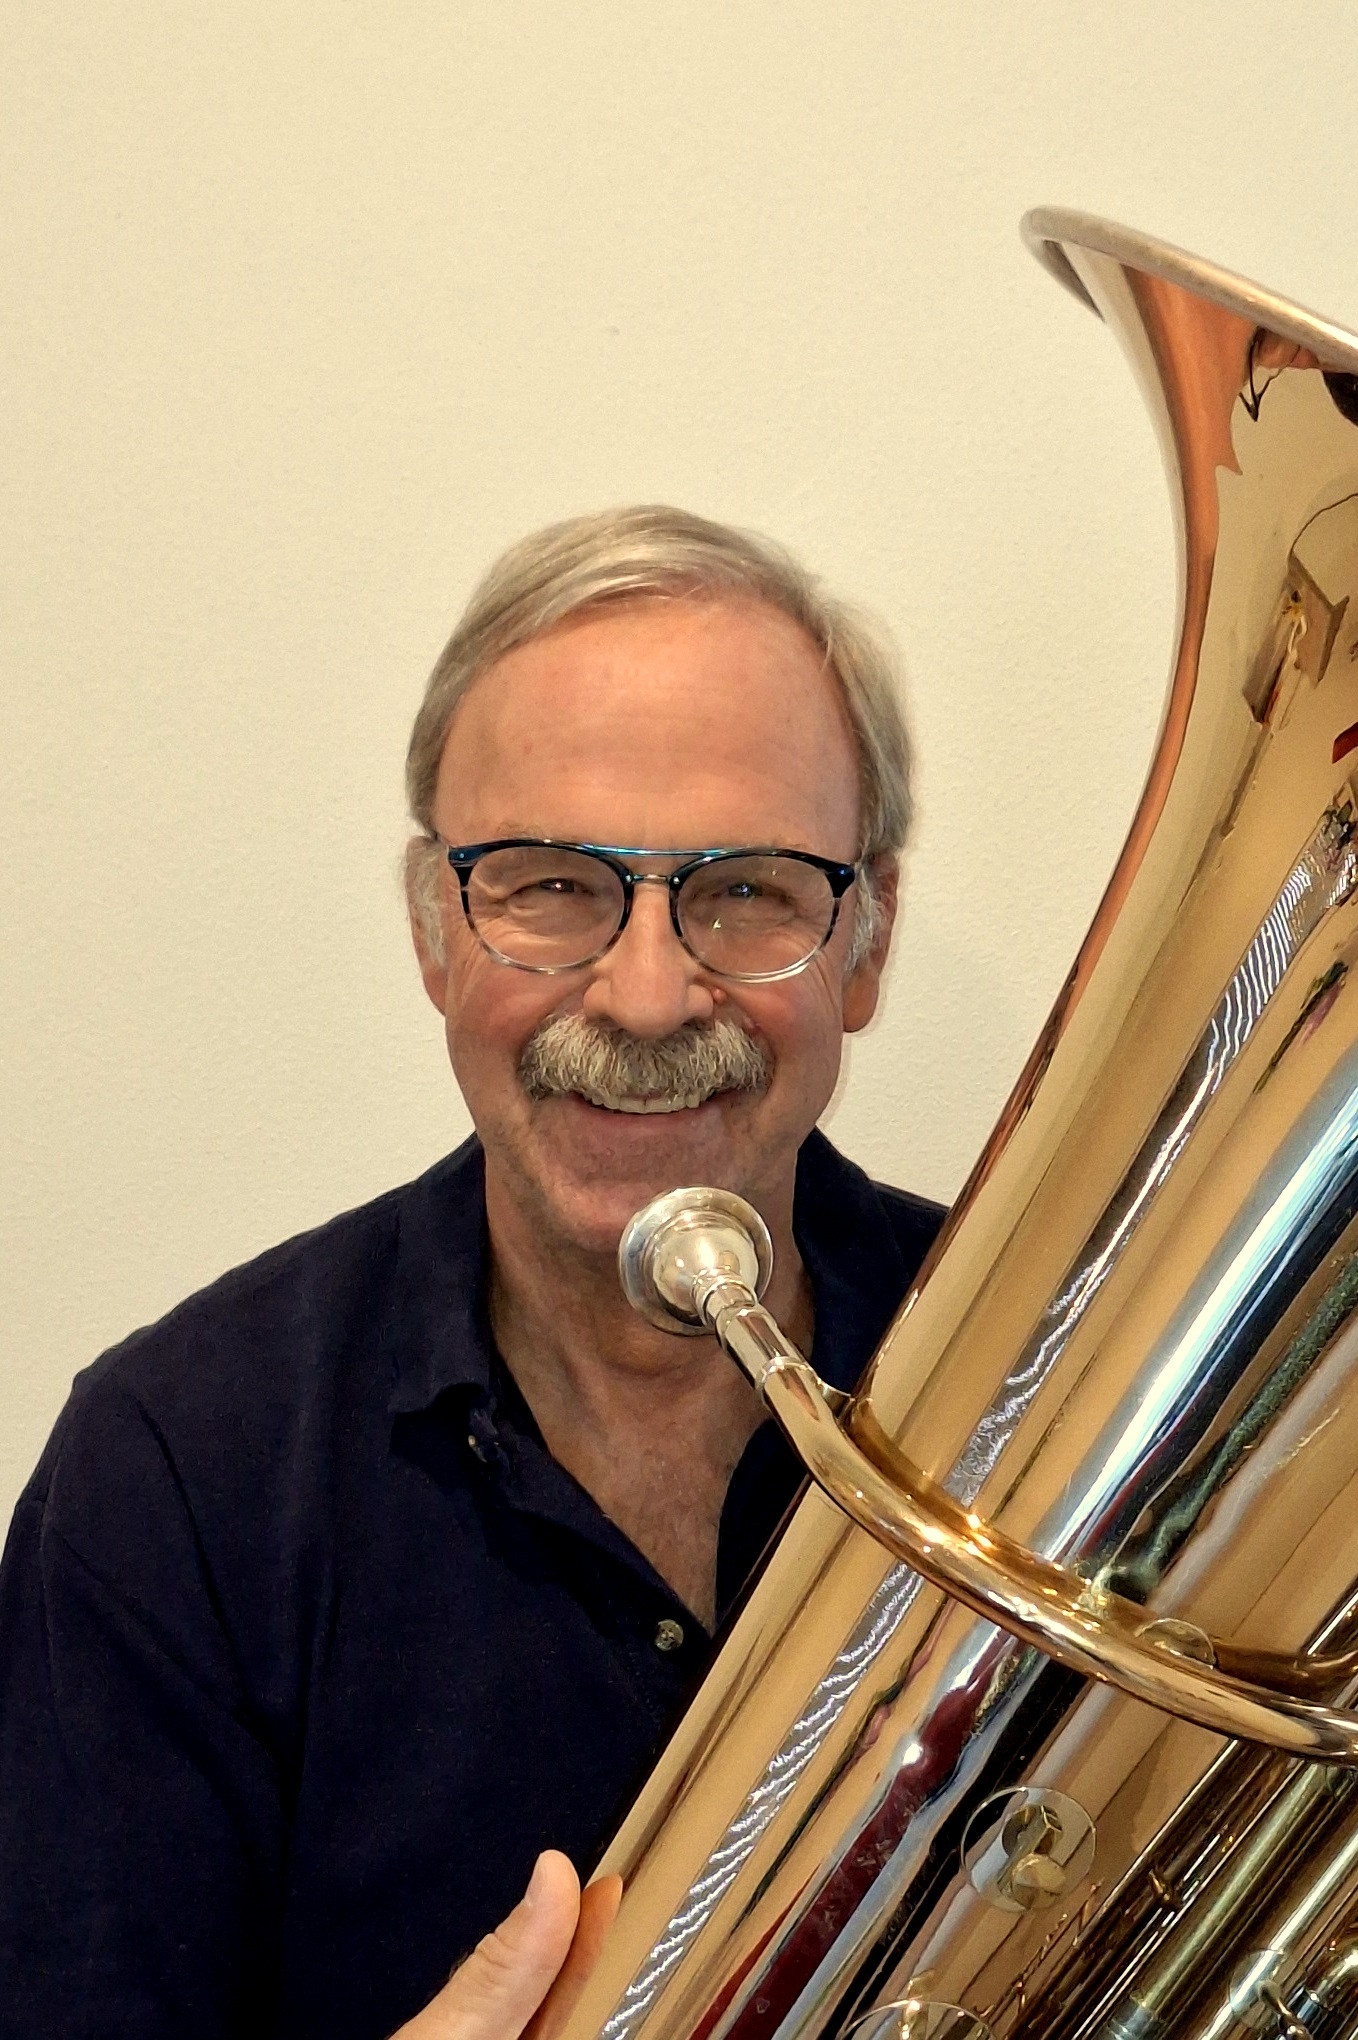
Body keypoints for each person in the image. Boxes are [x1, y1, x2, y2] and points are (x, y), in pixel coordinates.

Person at [0, 507, 945, 2039]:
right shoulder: (172, 1471)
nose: (647, 995)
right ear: (435, 931)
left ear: (867, 942)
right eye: (551, 886)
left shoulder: (1077, 1373)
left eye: (747, 889)